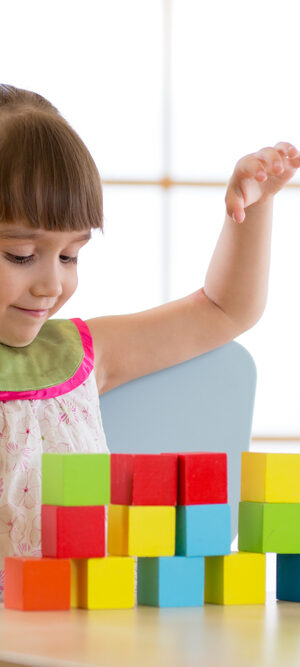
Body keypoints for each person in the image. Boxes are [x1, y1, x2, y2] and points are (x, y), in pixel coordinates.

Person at [0, 84, 299, 601]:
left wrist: (258, 207)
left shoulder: (79, 356)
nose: (52, 284)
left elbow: (224, 311)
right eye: (22, 254)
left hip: (95, 627)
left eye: (71, 256)